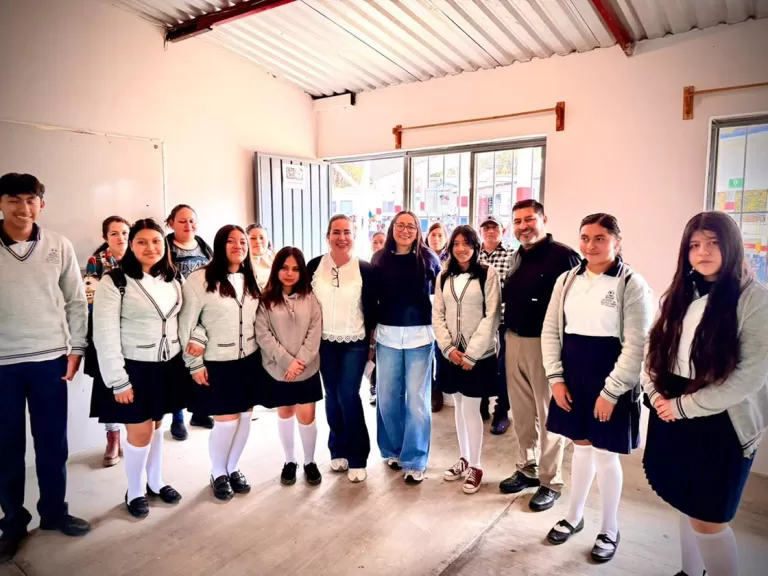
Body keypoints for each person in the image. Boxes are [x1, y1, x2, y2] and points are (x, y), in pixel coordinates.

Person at [642, 211, 768, 576]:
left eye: (713, 243)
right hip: (671, 407)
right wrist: (655, 394)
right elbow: (653, 350)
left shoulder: (754, 299)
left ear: (732, 246)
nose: (703, 252)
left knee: (710, 520)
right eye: (695, 245)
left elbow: (749, 377)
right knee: (687, 502)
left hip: (721, 420)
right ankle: (689, 571)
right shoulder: (680, 292)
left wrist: (683, 407)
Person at [541, 214, 653, 562]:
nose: (590, 245)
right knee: (581, 448)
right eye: (585, 238)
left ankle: (609, 528)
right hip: (573, 376)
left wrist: (611, 392)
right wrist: (556, 378)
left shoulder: (631, 283)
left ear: (617, 242)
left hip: (611, 377)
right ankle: (574, 516)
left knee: (605, 455)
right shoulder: (567, 279)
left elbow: (637, 345)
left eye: (600, 238)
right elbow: (551, 331)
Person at [0, 173, 91, 562]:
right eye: (13, 199)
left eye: (31, 200)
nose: (23, 208)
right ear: (1, 203)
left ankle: (54, 513)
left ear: (42, 204)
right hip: (2, 364)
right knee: (6, 448)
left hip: (49, 359)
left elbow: (76, 300)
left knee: (52, 443)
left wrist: (77, 347)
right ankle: (13, 523)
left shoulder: (58, 245)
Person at [92, 218, 187, 519]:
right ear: (131, 245)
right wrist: (118, 380)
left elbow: (183, 321)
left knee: (157, 426)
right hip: (133, 368)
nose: (150, 247)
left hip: (167, 366)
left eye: (156, 241)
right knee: (141, 431)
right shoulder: (115, 281)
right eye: (142, 242)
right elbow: (104, 334)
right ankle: (135, 490)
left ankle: (155, 481)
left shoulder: (173, 279)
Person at [498, 199, 581, 511]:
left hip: (546, 346)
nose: (523, 226)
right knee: (520, 413)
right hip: (513, 340)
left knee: (549, 417)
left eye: (529, 219)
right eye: (518, 221)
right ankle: (527, 468)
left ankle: (550, 481)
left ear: (543, 219)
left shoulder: (564, 256)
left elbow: (575, 306)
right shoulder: (516, 256)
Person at [179, 225, 262, 501]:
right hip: (217, 362)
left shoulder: (252, 279)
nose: (239, 246)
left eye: (243, 241)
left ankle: (233, 467)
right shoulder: (199, 279)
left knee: (245, 419)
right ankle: (218, 472)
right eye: (231, 241)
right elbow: (187, 324)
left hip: (249, 360)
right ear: (219, 245)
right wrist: (194, 363)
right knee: (226, 422)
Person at [372, 210, 442, 484]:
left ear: (417, 230)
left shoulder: (428, 258)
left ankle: (415, 458)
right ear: (392, 228)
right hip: (387, 335)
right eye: (400, 225)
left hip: (420, 338)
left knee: (416, 400)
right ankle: (393, 448)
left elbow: (440, 299)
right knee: (387, 397)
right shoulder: (379, 259)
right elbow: (371, 299)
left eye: (411, 226)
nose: (405, 230)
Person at [308, 215, 377, 483]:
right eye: (336, 232)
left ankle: (358, 456)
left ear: (354, 236)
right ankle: (337, 448)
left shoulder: (365, 268)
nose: (341, 237)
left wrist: (372, 343)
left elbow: (372, 308)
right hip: (323, 342)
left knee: (348, 395)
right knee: (331, 396)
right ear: (328, 236)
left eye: (347, 232)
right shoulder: (314, 266)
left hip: (355, 342)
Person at [433, 225, 501, 495]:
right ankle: (464, 457)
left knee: (471, 409)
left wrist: (472, 353)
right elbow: (437, 315)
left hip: (478, 355)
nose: (461, 249)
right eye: (457, 243)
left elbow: (492, 316)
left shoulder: (487, 274)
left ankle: (476, 465)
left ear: (476, 246)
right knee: (459, 406)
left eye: (467, 243)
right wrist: (448, 348)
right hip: (452, 354)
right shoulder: (443, 276)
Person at [255, 247, 323, 487]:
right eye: (284, 267)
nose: (289, 273)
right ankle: (289, 461)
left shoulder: (311, 298)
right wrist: (287, 362)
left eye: (295, 269)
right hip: (279, 369)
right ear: (276, 269)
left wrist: (299, 362)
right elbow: (263, 335)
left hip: (307, 369)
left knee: (307, 416)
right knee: (285, 413)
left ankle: (309, 461)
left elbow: (315, 332)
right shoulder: (265, 299)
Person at [84, 215, 131, 468]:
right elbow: (91, 300)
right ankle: (113, 438)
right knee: (107, 386)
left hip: (134, 333)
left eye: (124, 232)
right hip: (106, 330)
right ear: (105, 237)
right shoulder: (97, 262)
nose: (120, 238)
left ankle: (134, 436)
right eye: (114, 233)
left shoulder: (138, 256)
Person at [165, 204, 215, 439]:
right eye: (182, 221)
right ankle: (177, 419)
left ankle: (200, 412)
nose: (188, 225)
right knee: (178, 369)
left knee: (202, 362)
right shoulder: (164, 248)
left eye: (192, 220)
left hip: (202, 313)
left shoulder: (204, 247)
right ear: (171, 223)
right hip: (176, 314)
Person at [478, 216, 512, 435]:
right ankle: (481, 402)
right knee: (481, 361)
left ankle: (502, 411)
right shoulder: (474, 255)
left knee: (504, 365)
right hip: (478, 321)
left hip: (505, 320)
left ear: (503, 231)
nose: (490, 231)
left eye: (495, 227)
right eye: (486, 228)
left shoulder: (512, 256)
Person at [427, 221, 450, 412]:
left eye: (440, 235)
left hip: (445, 313)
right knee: (427, 354)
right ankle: (431, 389)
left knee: (440, 351)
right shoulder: (422, 256)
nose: (436, 239)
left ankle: (439, 388)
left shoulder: (451, 258)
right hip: (424, 312)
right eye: (433, 235)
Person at [368, 231, 386, 405]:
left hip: (387, 319)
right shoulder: (367, 266)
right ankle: (373, 386)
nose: (378, 245)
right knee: (372, 354)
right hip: (371, 318)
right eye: (375, 242)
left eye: (382, 241)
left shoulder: (389, 264)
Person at [246, 223, 274, 291]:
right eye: (253, 238)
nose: (258, 241)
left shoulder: (278, 257)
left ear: (268, 240)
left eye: (261, 238)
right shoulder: (243, 262)